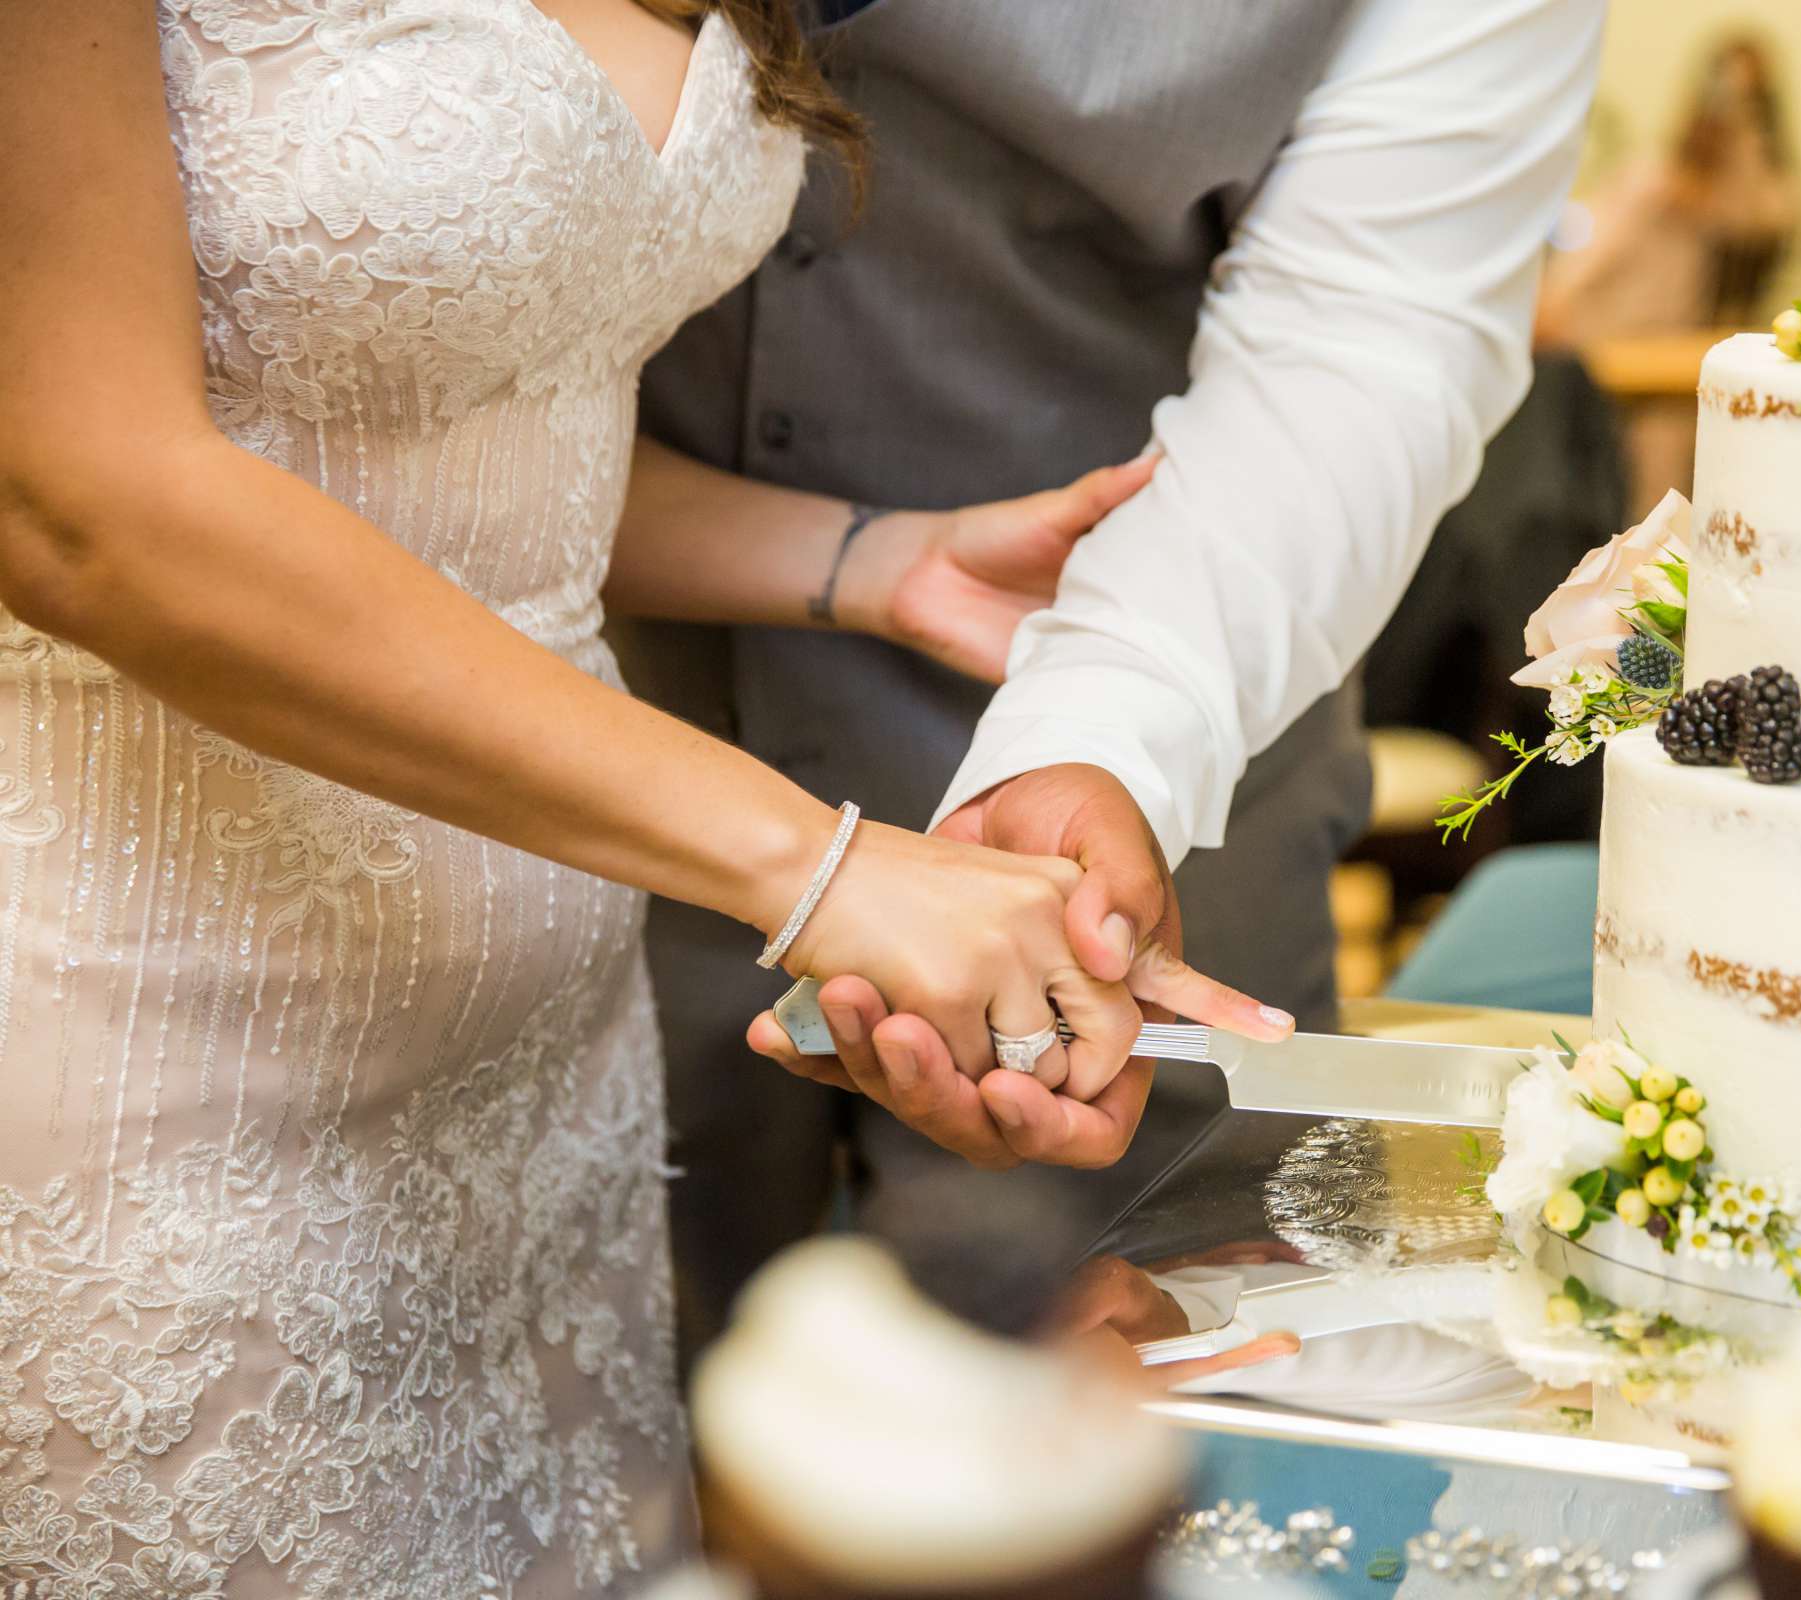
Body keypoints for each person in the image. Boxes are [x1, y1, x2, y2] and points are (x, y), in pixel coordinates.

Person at [0, 4, 1279, 1594]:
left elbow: (431, 436)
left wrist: (868, 563)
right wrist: (817, 865)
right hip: (155, 1039)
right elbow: (77, 497)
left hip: (537, 1085)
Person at [653, 0, 1610, 1346]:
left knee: (1114, 1487)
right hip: (555, 776)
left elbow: (1366, 332)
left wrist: (1101, 732)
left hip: (1157, 810)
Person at [1534, 32, 1801, 510]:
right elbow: (1585, 260)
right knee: (1652, 454)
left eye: (1749, 101)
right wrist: (1552, 307)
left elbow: (1767, 212)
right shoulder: (1651, 179)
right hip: (1609, 342)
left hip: (1678, 353)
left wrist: (1742, 140)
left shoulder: (1747, 194)